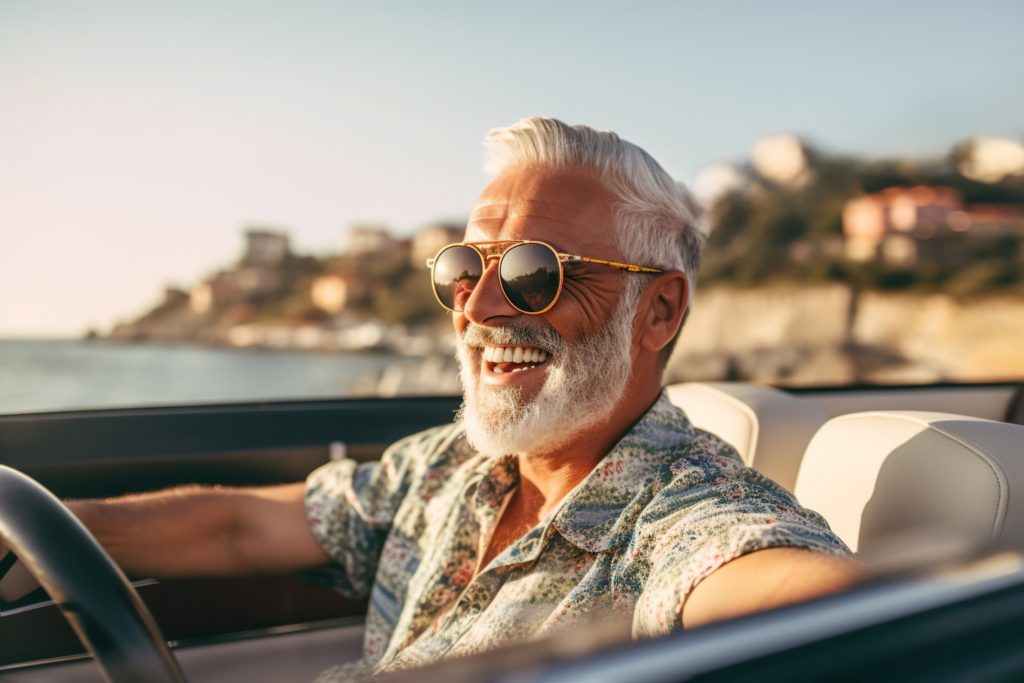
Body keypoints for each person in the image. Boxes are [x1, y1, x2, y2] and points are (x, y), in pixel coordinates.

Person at [1, 117, 858, 679]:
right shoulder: (450, 465)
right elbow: (240, 524)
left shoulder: (682, 517)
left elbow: (812, 602)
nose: (477, 309)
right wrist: (35, 535)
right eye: (464, 268)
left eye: (531, 273)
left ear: (659, 309)